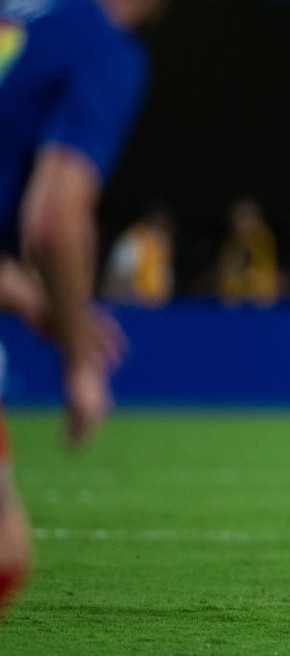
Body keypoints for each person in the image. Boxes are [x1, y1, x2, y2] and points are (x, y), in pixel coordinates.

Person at [0, 0, 167, 618]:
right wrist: (78, 362)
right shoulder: (101, 46)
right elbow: (53, 218)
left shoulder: (23, 26)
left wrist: (42, 309)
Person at [101, 202, 176, 308]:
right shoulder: (132, 241)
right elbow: (114, 282)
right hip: (132, 310)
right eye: (160, 224)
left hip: (155, 312)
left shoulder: (162, 246)